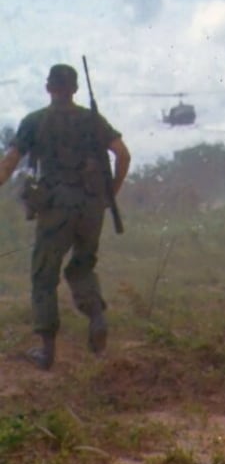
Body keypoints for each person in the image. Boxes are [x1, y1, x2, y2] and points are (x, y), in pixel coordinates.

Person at [0, 64, 131, 370]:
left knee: (44, 275)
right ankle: (96, 317)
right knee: (82, 267)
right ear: (74, 89)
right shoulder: (93, 120)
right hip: (91, 207)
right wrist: (109, 194)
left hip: (56, 207)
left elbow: (9, 164)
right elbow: (123, 155)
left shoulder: (34, 121)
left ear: (49, 88)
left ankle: (47, 352)